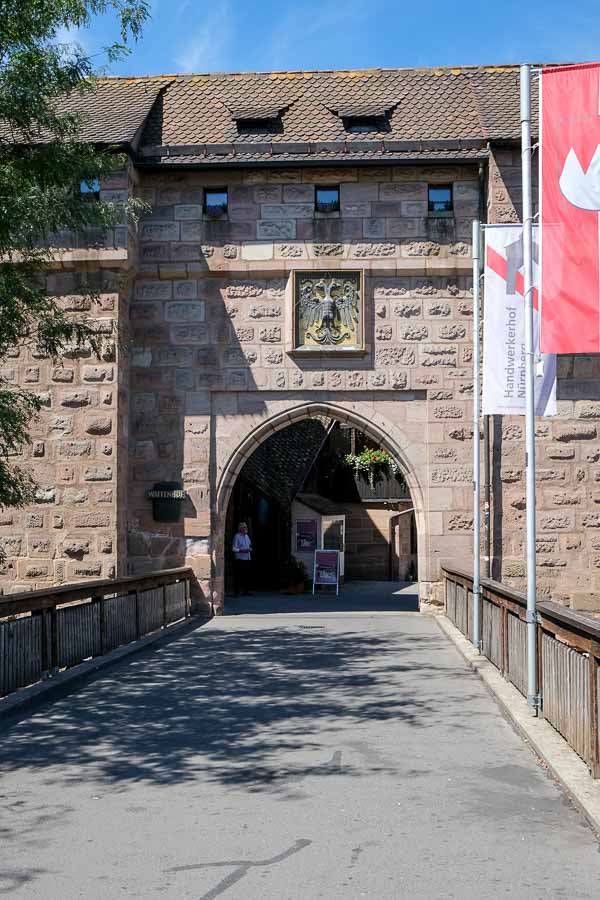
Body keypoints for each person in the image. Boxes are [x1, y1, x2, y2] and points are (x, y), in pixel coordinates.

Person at [232, 522, 253, 596]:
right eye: (244, 527)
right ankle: (236, 592)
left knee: (246, 575)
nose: (245, 528)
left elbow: (250, 544)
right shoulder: (237, 536)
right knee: (238, 576)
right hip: (240, 559)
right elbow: (234, 548)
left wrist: (250, 548)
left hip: (247, 558)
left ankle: (246, 591)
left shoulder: (247, 536)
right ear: (240, 528)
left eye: (246, 527)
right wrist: (242, 550)